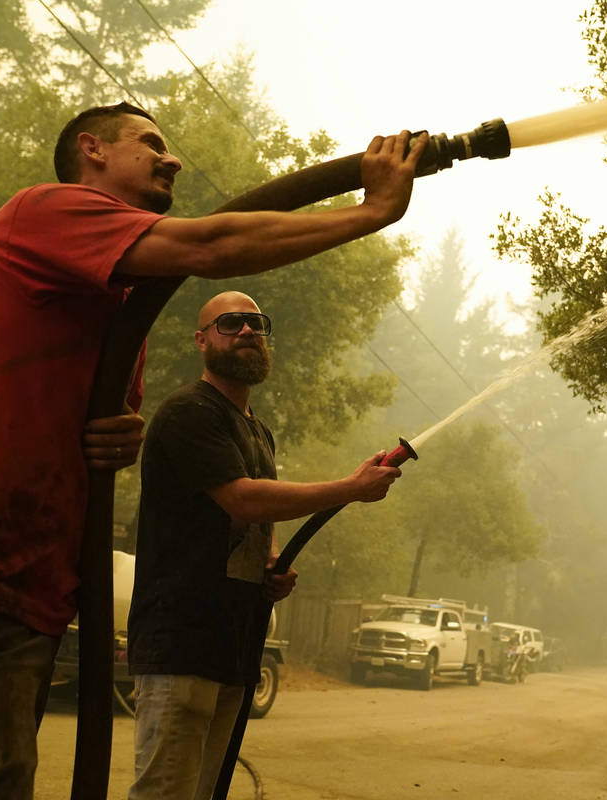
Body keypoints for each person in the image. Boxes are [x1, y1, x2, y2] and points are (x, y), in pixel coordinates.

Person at [0, 101, 426, 799]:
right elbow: (210, 247)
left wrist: (114, 433)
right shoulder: (45, 212)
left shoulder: (111, 310)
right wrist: (370, 213)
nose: (173, 157)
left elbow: (73, 425)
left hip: (17, 590)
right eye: (150, 142)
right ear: (92, 150)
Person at [126, 290, 401, 800]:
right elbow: (243, 499)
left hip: (235, 643)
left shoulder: (259, 433)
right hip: (180, 643)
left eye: (256, 323)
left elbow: (256, 519)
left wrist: (270, 564)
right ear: (201, 340)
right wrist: (348, 488)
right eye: (231, 323)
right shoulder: (189, 411)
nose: (248, 331)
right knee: (165, 793)